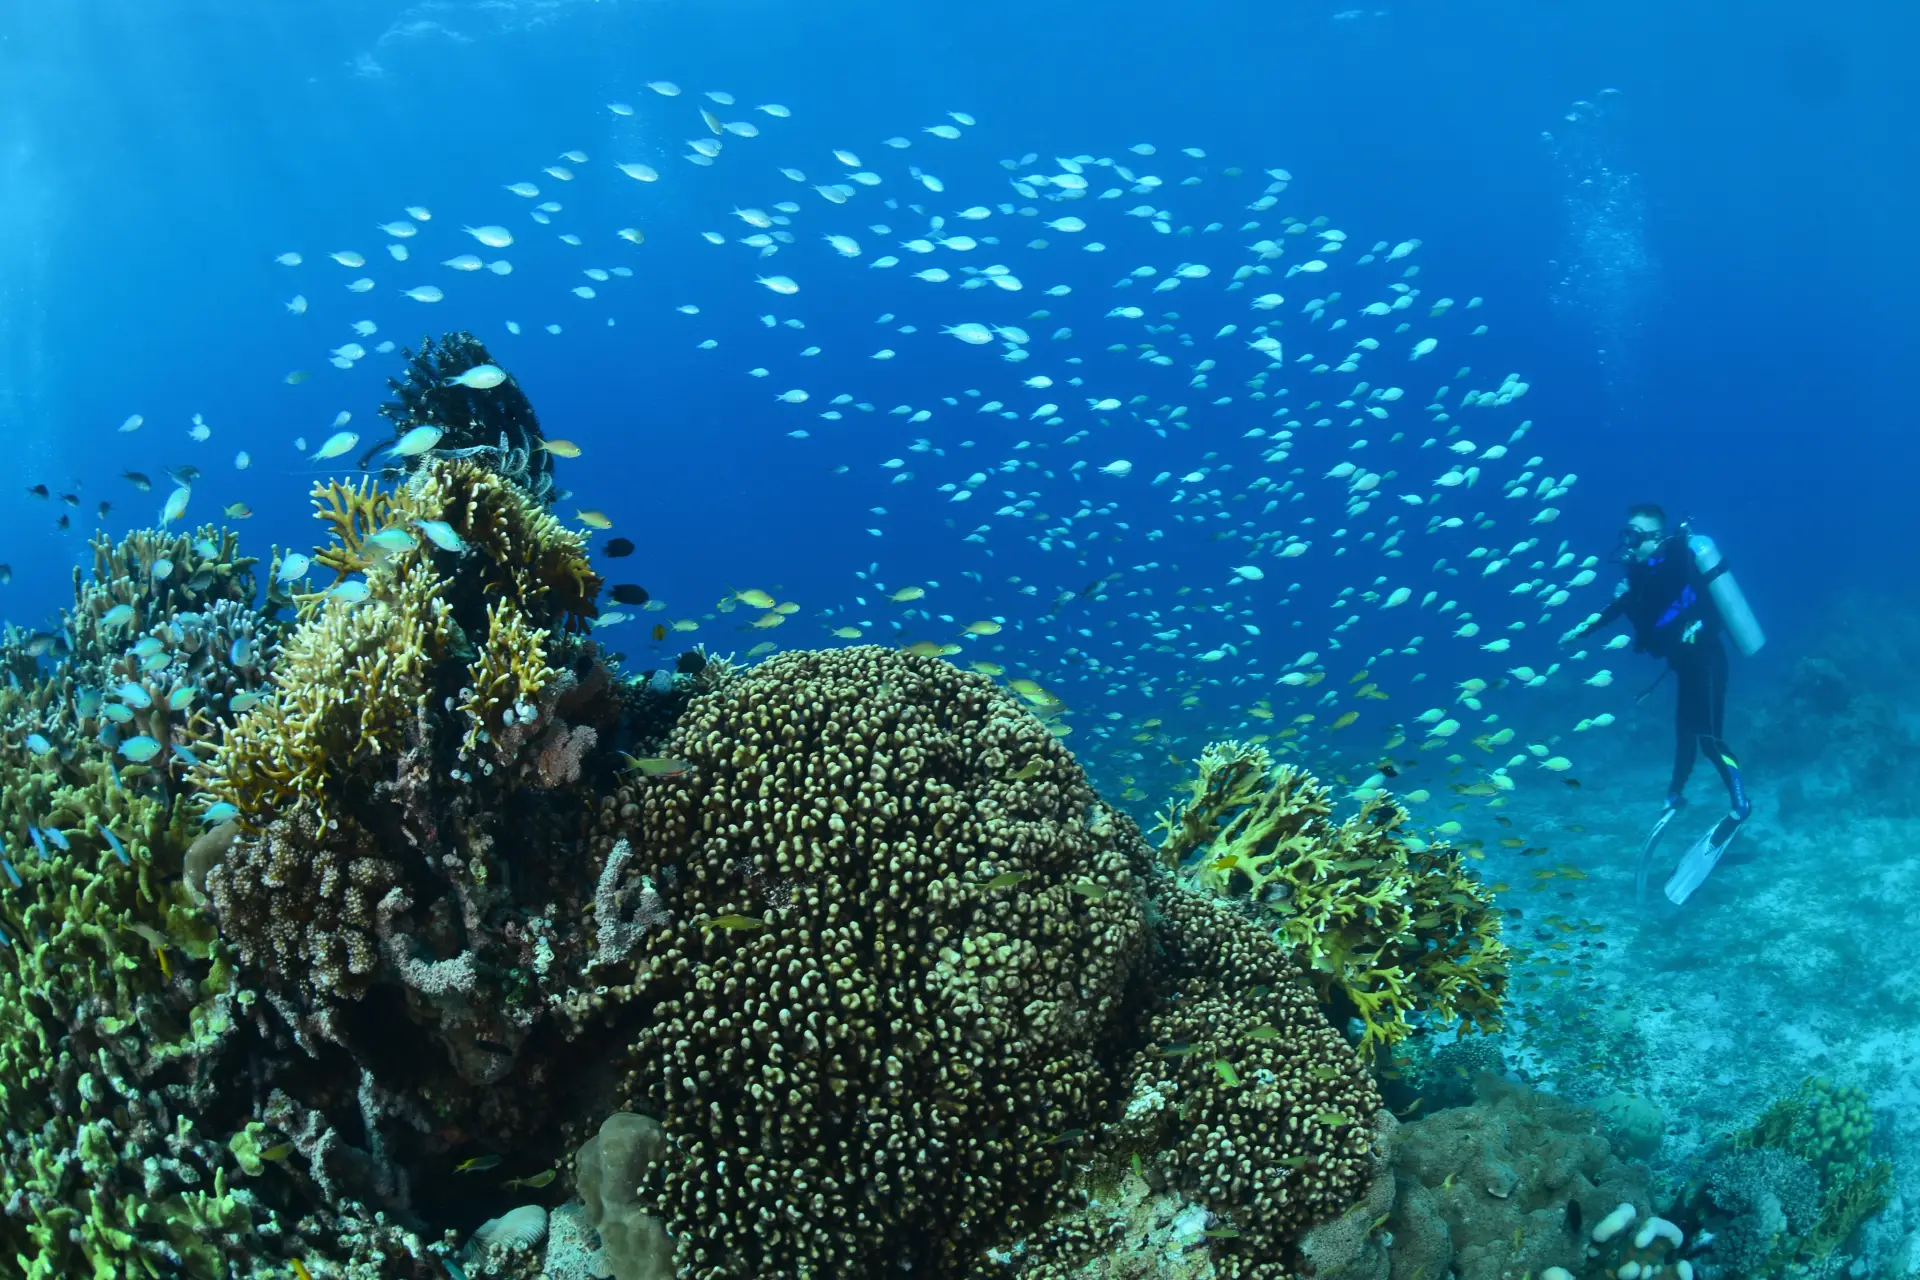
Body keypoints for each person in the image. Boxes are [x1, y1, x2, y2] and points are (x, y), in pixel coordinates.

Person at [1568, 503, 1761, 904]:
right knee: (1683, 733)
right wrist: (1582, 631)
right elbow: (1621, 610)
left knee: (1709, 738)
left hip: (1708, 661)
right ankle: (1675, 794)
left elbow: (1700, 604)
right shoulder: (1638, 576)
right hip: (1684, 666)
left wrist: (1690, 622)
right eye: (1626, 533)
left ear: (1657, 538)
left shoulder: (1677, 560)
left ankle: (1741, 805)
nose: (1628, 542)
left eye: (1636, 535)